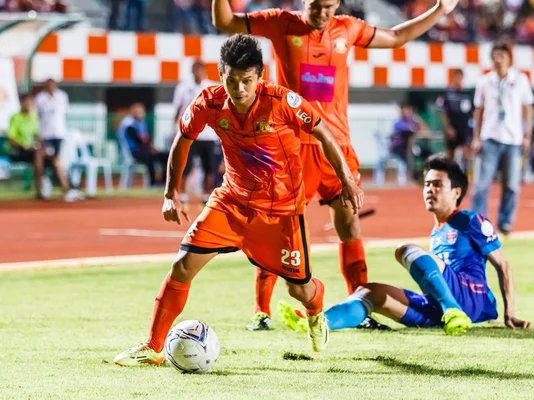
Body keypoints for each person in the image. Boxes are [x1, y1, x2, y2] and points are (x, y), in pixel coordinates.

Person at [113, 34, 363, 366]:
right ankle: (153, 346)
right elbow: (182, 140)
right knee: (182, 266)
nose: (240, 88)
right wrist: (170, 192)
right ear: (221, 75)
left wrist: (345, 178)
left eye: (247, 80)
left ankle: (316, 311)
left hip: (281, 213)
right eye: (232, 80)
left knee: (299, 290)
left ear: (260, 76)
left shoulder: (281, 101)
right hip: (230, 202)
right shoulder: (208, 102)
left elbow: (321, 130)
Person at [212, 0, 460, 331]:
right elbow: (226, 21)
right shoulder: (281, 23)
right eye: (316, 6)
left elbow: (396, 37)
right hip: (292, 148)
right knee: (278, 229)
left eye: (329, 6)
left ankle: (360, 307)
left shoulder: (347, 28)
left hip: (336, 148)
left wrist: (440, 12)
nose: (322, 13)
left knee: (350, 228)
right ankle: (261, 311)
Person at [278, 154, 532, 335]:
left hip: (471, 297)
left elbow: (503, 264)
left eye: (438, 185)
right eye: (427, 184)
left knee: (406, 250)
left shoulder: (469, 220)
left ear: (456, 192)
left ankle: (453, 310)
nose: (430, 190)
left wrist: (509, 312)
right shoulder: (437, 232)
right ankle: (318, 322)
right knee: (370, 292)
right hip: (440, 305)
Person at [470, 42, 534, 236]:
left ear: (509, 59)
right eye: (495, 56)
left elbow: (528, 108)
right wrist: (476, 137)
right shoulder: (484, 81)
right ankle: (478, 224)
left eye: (502, 56)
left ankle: (505, 222)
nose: (498, 60)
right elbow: (478, 110)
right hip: (490, 137)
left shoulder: (520, 80)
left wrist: (527, 135)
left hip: (513, 139)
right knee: (481, 184)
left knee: (512, 185)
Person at [172, 59, 220, 205]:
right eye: (195, 69)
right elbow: (177, 109)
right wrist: (174, 131)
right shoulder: (183, 87)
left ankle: (206, 194)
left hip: (208, 134)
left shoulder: (213, 86)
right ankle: (182, 194)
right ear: (192, 71)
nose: (198, 72)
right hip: (189, 133)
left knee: (209, 167)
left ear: (205, 71)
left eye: (200, 69)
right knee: (185, 166)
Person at [35, 78, 83, 201]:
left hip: (59, 134)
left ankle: (65, 188)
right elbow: (37, 116)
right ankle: (52, 189)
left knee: (58, 162)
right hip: (46, 135)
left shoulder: (62, 96)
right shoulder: (40, 98)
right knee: (50, 162)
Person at [118, 103, 169, 187]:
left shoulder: (141, 123)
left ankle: (163, 182)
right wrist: (148, 146)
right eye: (138, 111)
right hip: (134, 152)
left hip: (145, 150)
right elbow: (138, 140)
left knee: (167, 156)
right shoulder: (129, 124)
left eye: (142, 111)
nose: (141, 113)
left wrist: (152, 147)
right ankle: (152, 183)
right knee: (150, 157)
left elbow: (148, 138)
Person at [5, 93, 44, 198]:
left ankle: (66, 187)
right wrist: (23, 145)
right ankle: (40, 190)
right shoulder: (15, 118)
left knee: (53, 159)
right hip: (19, 151)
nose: (28, 105)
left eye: (30, 102)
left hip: (34, 151)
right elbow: (10, 138)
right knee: (38, 156)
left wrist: (40, 144)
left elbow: (37, 135)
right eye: (26, 102)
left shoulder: (34, 117)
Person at [438, 69, 473, 171]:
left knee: (466, 150)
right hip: (452, 126)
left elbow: (472, 111)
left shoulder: (467, 93)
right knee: (450, 152)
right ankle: (448, 173)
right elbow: (442, 111)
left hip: (465, 127)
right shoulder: (447, 93)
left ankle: (464, 173)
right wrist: (448, 127)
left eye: (460, 78)